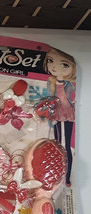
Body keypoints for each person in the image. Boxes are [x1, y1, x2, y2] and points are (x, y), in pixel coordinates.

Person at [45, 48, 76, 185]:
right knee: (57, 145)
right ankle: (58, 176)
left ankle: (67, 177)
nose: (54, 67)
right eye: (50, 61)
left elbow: (72, 96)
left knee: (67, 146)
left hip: (68, 113)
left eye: (64, 64)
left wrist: (74, 102)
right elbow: (49, 98)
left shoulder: (69, 84)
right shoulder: (50, 82)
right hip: (56, 113)